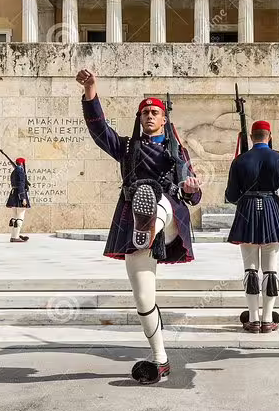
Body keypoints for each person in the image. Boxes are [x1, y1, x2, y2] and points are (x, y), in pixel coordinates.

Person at [77, 69, 202, 385]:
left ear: (163, 119)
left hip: (168, 214)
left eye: (154, 112)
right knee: (144, 299)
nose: (149, 116)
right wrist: (91, 90)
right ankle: (160, 360)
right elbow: (98, 130)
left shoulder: (176, 151)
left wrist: (189, 187)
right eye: (145, 112)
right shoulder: (128, 147)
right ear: (139, 117)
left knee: (157, 201)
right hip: (133, 222)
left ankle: (150, 222)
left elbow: (195, 194)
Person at [224, 120, 279, 334]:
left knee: (250, 270)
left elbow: (231, 195)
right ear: (269, 136)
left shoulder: (240, 160)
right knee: (270, 270)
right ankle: (267, 318)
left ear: (252, 137)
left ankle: (253, 319)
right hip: (272, 209)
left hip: (247, 211)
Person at [6, 157, 30, 243]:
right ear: (22, 163)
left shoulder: (14, 171)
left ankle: (14, 235)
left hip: (13, 194)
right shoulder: (20, 171)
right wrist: (23, 198)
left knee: (14, 217)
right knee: (20, 216)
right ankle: (15, 237)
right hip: (19, 195)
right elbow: (20, 185)